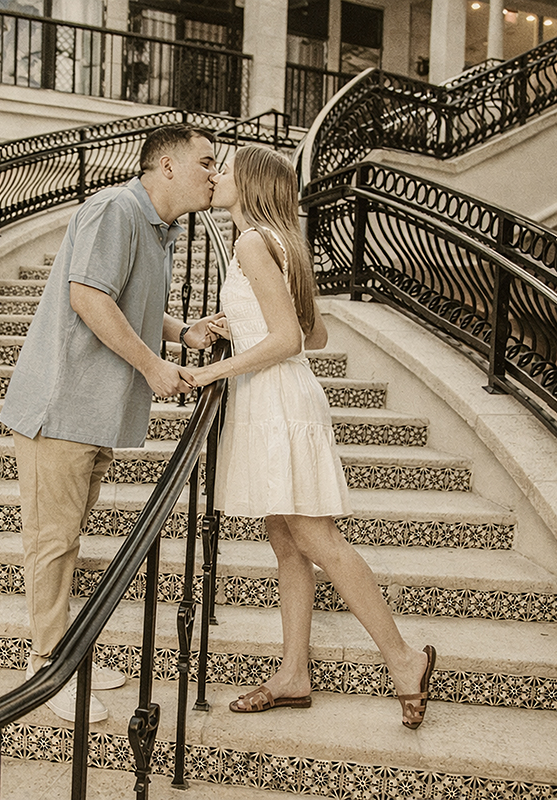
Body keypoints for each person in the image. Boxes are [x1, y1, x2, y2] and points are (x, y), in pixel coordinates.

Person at [186, 146, 437, 729]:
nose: (216, 177)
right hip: (279, 397)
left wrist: (210, 370)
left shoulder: (252, 244)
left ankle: (403, 660)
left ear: (248, 183)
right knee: (286, 539)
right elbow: (315, 334)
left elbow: (290, 342)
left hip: (276, 399)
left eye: (224, 170)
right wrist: (240, 329)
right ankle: (294, 673)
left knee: (313, 536)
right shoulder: (282, 243)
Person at [0, 124, 224, 723]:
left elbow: (127, 301)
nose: (214, 173)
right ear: (167, 165)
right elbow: (89, 299)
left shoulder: (160, 229)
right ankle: (46, 669)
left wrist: (182, 331)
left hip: (92, 413)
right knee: (52, 542)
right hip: (60, 407)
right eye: (206, 161)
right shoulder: (114, 210)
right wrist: (155, 367)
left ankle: (65, 654)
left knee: (66, 541)